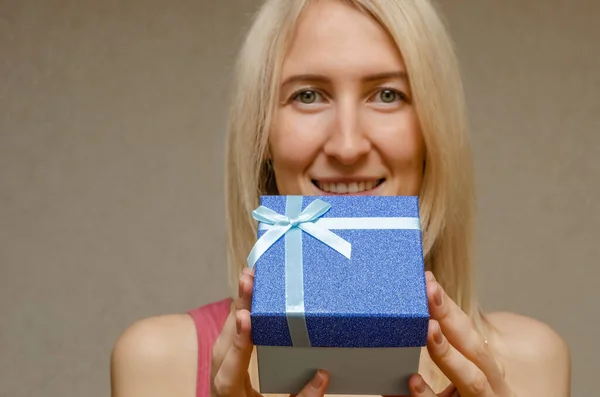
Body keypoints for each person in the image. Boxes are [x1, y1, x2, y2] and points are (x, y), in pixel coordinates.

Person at [110, 1, 571, 396]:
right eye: (308, 95)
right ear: (262, 135)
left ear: (434, 131)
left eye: (387, 95)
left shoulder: (531, 364)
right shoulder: (158, 364)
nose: (347, 146)